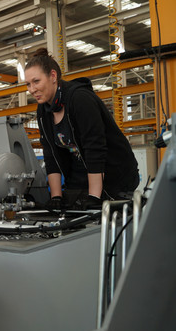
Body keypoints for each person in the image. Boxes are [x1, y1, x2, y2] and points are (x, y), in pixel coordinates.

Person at [24, 48, 139, 210]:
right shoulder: (43, 111)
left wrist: (94, 197)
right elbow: (51, 155)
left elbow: (95, 149)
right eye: (28, 84)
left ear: (53, 76)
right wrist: (56, 197)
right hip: (79, 179)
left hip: (114, 177)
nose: (32, 89)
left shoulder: (80, 100)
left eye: (36, 81)